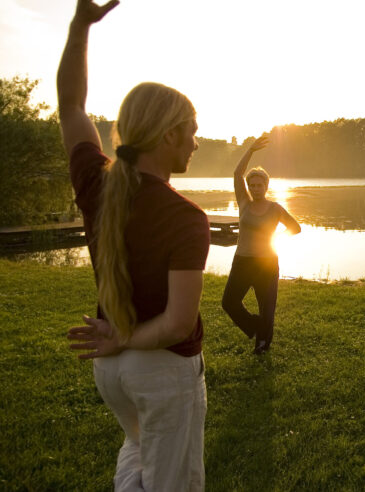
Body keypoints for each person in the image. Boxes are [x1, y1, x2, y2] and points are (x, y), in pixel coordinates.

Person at [61, 1, 210, 489]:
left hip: (113, 373)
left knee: (137, 450)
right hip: (160, 372)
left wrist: (80, 28)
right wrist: (122, 338)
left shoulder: (95, 182)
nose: (195, 142)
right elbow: (176, 324)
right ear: (169, 136)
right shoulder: (186, 218)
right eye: (191, 131)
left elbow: (71, 107)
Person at [221, 136, 301, 354]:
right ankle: (255, 327)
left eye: (259, 185)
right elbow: (237, 173)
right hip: (242, 261)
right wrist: (251, 150)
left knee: (267, 307)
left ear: (266, 186)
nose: (256, 188)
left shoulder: (275, 208)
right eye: (252, 185)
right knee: (229, 302)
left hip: (266, 262)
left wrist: (276, 239)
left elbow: (296, 227)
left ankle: (263, 344)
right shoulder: (244, 203)